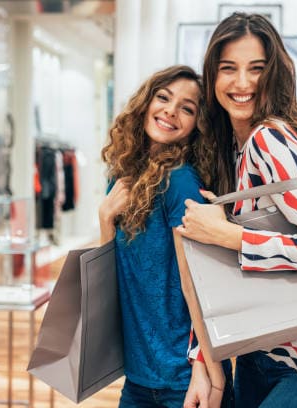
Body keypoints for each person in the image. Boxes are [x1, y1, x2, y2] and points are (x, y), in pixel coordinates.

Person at [176, 13, 297, 408]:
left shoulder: (269, 138)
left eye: (256, 69)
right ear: (212, 77)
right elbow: (215, 273)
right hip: (259, 349)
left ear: (273, 74)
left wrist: (228, 235)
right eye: (229, 69)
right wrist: (201, 359)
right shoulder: (231, 149)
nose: (242, 83)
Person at [99, 65, 233, 408]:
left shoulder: (179, 181)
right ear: (145, 103)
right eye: (163, 97)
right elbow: (112, 278)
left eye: (187, 108)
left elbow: (200, 285)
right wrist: (104, 220)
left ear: (195, 126)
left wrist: (210, 372)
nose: (171, 111)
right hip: (139, 377)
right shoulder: (123, 179)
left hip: (184, 380)